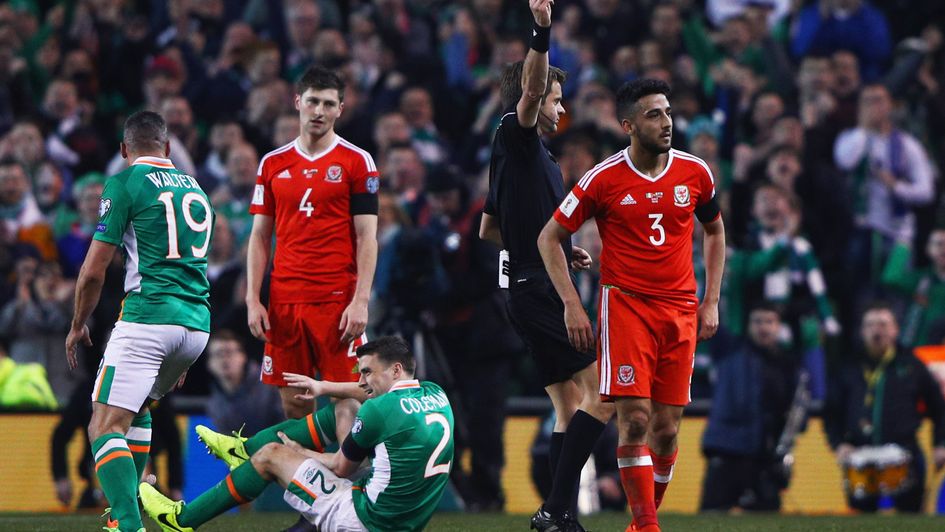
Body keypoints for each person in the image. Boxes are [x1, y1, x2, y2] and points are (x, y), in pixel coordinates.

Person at [537, 78, 726, 532]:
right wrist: (571, 304)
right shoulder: (602, 179)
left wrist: (711, 300)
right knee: (635, 419)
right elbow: (549, 238)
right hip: (627, 307)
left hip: (680, 310)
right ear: (628, 126)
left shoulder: (695, 172)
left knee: (667, 428)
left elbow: (715, 231)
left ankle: (642, 521)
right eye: (653, 115)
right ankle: (646, 525)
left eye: (668, 112)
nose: (667, 123)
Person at [478, 1, 612, 529]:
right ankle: (555, 509)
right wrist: (541, 29)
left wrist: (554, 248)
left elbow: (489, 229)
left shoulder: (522, 160)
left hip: (525, 287)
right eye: (556, 98)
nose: (561, 107)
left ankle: (562, 517)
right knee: (602, 394)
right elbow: (531, 93)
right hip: (540, 292)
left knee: (567, 405)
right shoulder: (517, 135)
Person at [64, 110, 213, 532]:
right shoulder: (197, 188)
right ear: (167, 147)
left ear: (124, 150)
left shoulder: (125, 182)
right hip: (196, 325)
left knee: (103, 425)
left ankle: (127, 524)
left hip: (148, 317)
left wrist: (78, 323)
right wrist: (181, 347)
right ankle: (123, 514)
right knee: (140, 408)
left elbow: (93, 271)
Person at [139, 336, 454, 532]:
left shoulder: (378, 411)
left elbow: (342, 467)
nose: (361, 381)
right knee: (345, 406)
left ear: (396, 369)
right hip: (405, 521)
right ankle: (242, 449)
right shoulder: (436, 394)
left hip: (364, 520)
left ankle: (180, 520)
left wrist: (300, 452)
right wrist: (324, 387)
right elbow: (367, 399)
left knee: (270, 456)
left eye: (367, 372)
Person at [246, 65, 379, 425]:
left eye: (328, 104)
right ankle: (305, 466)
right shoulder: (272, 164)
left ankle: (346, 464)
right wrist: (253, 298)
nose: (319, 111)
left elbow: (367, 236)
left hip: (337, 300)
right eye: (313, 101)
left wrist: (361, 300)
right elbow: (259, 236)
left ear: (340, 109)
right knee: (293, 404)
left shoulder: (357, 162)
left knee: (347, 397)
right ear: (297, 103)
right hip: (285, 301)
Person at [824, 303, 945, 513]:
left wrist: (940, 444)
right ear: (862, 331)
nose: (877, 330)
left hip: (905, 453)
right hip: (860, 454)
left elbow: (939, 407)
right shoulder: (848, 367)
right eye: (870, 325)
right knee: (862, 519)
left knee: (911, 518)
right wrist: (838, 444)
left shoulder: (911, 365)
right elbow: (831, 412)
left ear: (895, 330)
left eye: (883, 324)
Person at [700, 304, 802, 512]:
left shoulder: (787, 363)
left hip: (765, 455)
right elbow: (713, 319)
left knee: (766, 517)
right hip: (728, 451)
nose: (763, 327)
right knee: (712, 516)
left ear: (779, 326)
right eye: (757, 322)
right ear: (747, 325)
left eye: (769, 322)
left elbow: (794, 406)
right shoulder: (729, 350)